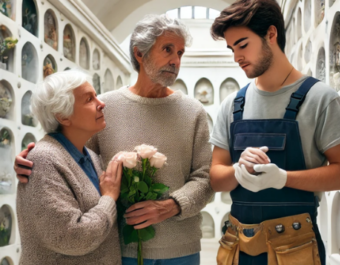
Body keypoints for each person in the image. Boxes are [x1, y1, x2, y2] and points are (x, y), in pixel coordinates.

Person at [15, 15, 213, 265]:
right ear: (140, 53)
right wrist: (31, 156)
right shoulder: (104, 107)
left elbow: (205, 177)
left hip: (181, 248)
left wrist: (171, 205)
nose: (176, 61)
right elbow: (72, 160)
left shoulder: (193, 111)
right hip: (119, 248)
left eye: (181, 53)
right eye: (167, 49)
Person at [209, 0, 340, 264]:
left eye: (242, 45)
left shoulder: (321, 98)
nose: (236, 57)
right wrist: (238, 170)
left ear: (271, 34)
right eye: (232, 49)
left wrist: (283, 178)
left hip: (296, 248)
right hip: (238, 249)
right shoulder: (232, 106)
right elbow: (217, 178)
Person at [16, 70, 122, 264]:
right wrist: (109, 198)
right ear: (63, 116)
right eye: (89, 99)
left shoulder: (91, 156)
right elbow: (73, 237)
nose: (101, 104)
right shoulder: (43, 160)